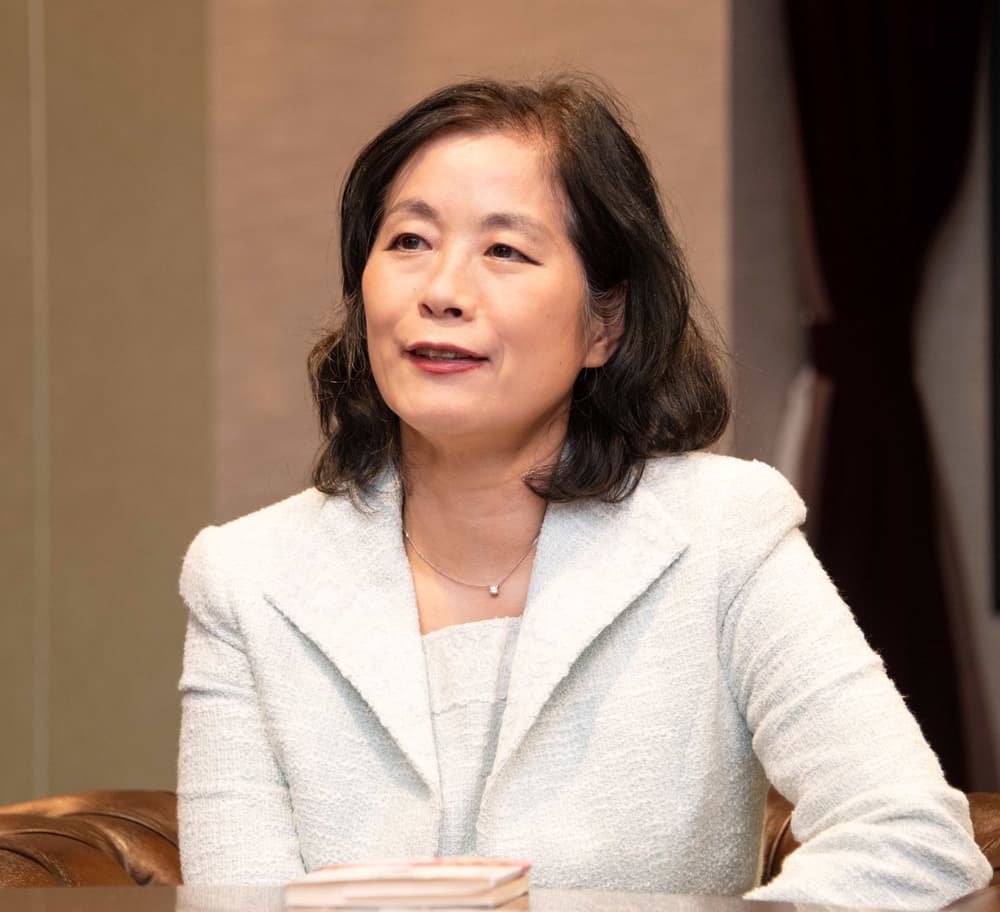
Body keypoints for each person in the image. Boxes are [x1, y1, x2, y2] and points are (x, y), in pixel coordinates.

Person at [177, 76, 991, 906]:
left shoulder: (721, 535)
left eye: (505, 250)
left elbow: (912, 836)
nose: (442, 291)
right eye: (410, 240)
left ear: (605, 323)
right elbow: (235, 902)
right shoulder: (247, 580)